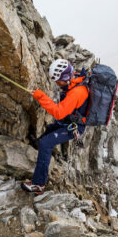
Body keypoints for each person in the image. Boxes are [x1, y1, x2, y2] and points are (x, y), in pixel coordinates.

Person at [21, 59, 89, 194]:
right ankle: (38, 146)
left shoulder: (77, 92)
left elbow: (58, 112)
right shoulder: (74, 79)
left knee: (47, 143)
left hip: (74, 127)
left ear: (65, 78)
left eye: (58, 81)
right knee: (50, 129)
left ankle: (38, 185)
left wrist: (40, 96)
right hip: (69, 121)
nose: (57, 84)